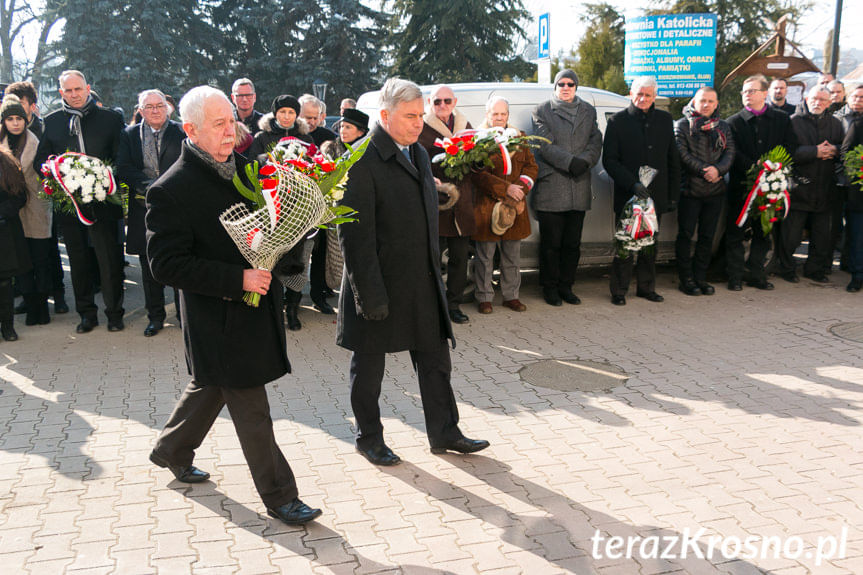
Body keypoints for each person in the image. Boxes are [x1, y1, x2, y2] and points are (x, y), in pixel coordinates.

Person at [145, 85, 321, 526]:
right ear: (190, 130)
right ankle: (281, 495)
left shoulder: (250, 170)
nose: (231, 131)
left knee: (211, 386)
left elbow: (271, 225)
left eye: (232, 122)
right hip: (215, 318)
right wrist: (236, 278)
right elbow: (165, 265)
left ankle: (171, 449)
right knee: (249, 402)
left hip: (255, 307)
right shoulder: (170, 190)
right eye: (219, 124)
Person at [337, 78, 489, 467]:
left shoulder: (419, 155)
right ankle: (368, 437)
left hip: (421, 281)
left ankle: (445, 432)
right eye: (409, 116)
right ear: (384, 116)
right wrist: (368, 295)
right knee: (369, 367)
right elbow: (354, 238)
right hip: (377, 284)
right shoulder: (360, 160)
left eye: (420, 115)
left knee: (436, 360)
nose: (418, 123)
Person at [33, 70, 126, 333]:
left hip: (104, 202)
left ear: (87, 88)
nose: (74, 95)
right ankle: (86, 314)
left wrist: (104, 181)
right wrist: (57, 182)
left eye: (78, 89)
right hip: (69, 205)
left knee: (108, 260)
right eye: (68, 91)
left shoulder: (110, 119)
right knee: (79, 260)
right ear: (61, 93)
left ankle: (114, 313)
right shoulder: (51, 122)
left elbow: (121, 157)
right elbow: (40, 163)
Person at [603, 76, 680, 305]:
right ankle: (619, 290)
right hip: (629, 195)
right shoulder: (617, 121)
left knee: (650, 244)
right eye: (639, 94)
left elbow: (672, 158)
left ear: (654, 96)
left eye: (648, 95)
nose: (643, 99)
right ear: (631, 93)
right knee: (626, 243)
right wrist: (632, 184)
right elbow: (610, 160)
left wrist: (673, 195)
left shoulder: (665, 120)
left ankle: (646, 288)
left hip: (656, 196)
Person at [531, 69, 602, 306]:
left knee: (572, 244)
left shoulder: (588, 111)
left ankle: (566, 286)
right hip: (552, 186)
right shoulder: (542, 110)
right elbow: (544, 144)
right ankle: (549, 288)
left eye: (570, 84)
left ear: (576, 87)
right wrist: (571, 162)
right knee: (551, 244)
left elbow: (596, 139)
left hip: (579, 185)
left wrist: (586, 160)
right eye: (561, 83)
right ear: (555, 86)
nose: (565, 87)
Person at [116, 89, 184, 336]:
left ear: (167, 107)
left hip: (177, 208)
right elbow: (123, 166)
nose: (155, 111)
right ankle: (155, 316)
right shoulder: (129, 134)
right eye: (149, 107)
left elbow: (188, 162)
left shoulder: (181, 131)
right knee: (149, 266)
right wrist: (149, 186)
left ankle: (183, 316)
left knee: (179, 261)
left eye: (159, 106)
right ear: (141, 110)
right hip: (143, 209)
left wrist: (167, 186)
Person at [726, 74, 797, 291]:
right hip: (742, 186)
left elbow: (790, 146)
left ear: (764, 94)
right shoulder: (734, 122)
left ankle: (756, 274)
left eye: (751, 91)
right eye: (744, 92)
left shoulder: (781, 119)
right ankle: (735, 276)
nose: (746, 95)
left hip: (771, 186)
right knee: (736, 233)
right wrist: (754, 166)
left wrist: (773, 166)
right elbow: (732, 152)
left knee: (763, 233)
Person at [472, 96, 538, 313]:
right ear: (487, 115)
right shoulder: (479, 139)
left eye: (503, 114)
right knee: (485, 257)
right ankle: (484, 297)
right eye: (495, 114)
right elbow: (477, 175)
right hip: (487, 207)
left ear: (508, 115)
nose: (499, 118)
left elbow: (531, 168)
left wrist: (518, 190)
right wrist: (505, 190)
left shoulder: (520, 138)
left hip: (515, 207)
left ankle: (511, 296)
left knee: (512, 256)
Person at [418, 84, 476, 324]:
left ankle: (454, 305)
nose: (442, 106)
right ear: (430, 103)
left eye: (447, 101)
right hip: (436, 202)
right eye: (437, 101)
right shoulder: (422, 128)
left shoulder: (466, 126)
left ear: (455, 102)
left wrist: (476, 162)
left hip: (461, 204)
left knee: (460, 259)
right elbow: (416, 161)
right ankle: (432, 307)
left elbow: (477, 159)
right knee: (431, 260)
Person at [778, 86, 843, 283]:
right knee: (791, 235)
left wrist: (835, 150)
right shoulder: (793, 121)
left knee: (821, 235)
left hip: (825, 188)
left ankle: (814, 270)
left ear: (829, 102)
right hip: (799, 188)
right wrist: (814, 152)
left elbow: (844, 147)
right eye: (814, 98)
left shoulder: (835, 123)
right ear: (806, 99)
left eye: (823, 100)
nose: (818, 102)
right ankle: (787, 269)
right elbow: (785, 152)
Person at [674, 87, 735, 296]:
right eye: (702, 101)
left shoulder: (723, 127)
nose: (706, 104)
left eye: (710, 101)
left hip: (715, 191)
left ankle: (701, 277)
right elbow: (682, 154)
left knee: (707, 237)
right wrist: (704, 170)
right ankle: (686, 279)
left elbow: (730, 153)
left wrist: (718, 170)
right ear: (694, 102)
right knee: (685, 235)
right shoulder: (682, 125)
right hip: (690, 191)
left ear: (716, 104)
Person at [0, 95, 52, 326]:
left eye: (19, 118)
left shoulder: (35, 142)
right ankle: (30, 306)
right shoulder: (1, 144)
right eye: (10, 119)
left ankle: (41, 309)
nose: (15, 123)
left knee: (40, 261)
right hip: (10, 214)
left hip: (36, 207)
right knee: (20, 263)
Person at [0, 147, 31, 341]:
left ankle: (7, 326)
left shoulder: (6, 163)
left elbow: (20, 196)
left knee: (4, 283)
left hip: (4, 233)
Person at [246, 95, 312, 162]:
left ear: (296, 115)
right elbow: (252, 164)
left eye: (291, 112)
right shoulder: (262, 137)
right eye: (282, 112)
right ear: (275, 114)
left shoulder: (305, 139)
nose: (286, 117)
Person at [842, 116, 863, 292]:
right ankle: (857, 276)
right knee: (858, 238)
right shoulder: (858, 124)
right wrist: (858, 174)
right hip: (860, 194)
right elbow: (846, 153)